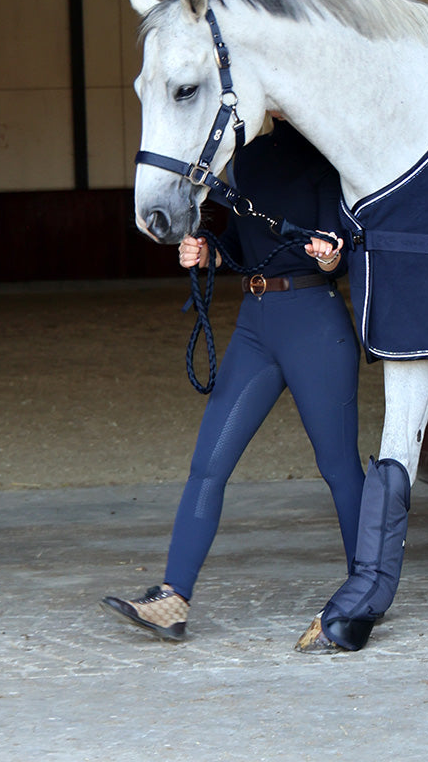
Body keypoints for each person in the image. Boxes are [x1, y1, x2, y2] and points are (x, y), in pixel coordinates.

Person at [102, 119, 364, 640]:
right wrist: (209, 251)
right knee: (209, 464)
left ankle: (365, 589)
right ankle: (173, 599)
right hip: (256, 324)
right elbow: (248, 248)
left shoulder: (316, 144)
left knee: (338, 466)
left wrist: (332, 253)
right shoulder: (242, 158)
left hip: (314, 319)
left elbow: (344, 241)